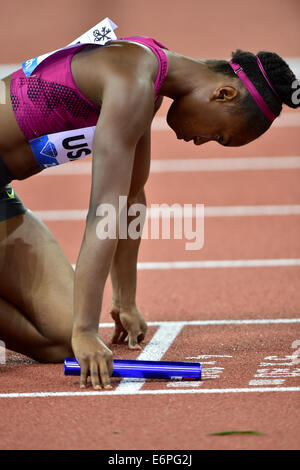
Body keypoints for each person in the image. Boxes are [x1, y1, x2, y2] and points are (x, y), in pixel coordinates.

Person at [0, 30, 298, 389]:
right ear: (224, 93)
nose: (203, 142)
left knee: (64, 339)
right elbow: (104, 213)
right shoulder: (133, 80)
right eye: (220, 136)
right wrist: (86, 329)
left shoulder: (149, 76)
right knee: (78, 334)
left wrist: (124, 300)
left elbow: (131, 196)